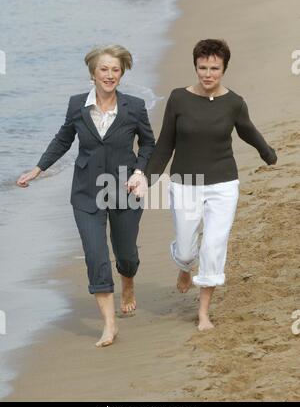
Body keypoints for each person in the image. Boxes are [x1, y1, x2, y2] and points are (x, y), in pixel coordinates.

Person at [17, 44, 155, 347]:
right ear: (92, 73)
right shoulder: (77, 105)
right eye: (103, 69)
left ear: (122, 73)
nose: (109, 75)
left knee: (127, 255)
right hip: (86, 192)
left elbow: (148, 144)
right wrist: (38, 168)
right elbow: (63, 138)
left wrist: (140, 171)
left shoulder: (134, 106)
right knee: (95, 255)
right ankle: (109, 324)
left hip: (124, 190)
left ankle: (128, 282)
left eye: (115, 70)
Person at [141, 39, 277, 332]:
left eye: (214, 68)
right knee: (188, 250)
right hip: (186, 181)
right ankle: (184, 266)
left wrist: (267, 153)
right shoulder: (178, 99)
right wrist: (147, 179)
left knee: (214, 246)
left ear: (224, 69)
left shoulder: (234, 103)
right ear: (195, 67)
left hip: (223, 183)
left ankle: (203, 313)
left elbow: (248, 131)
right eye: (202, 67)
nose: (208, 74)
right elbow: (165, 144)